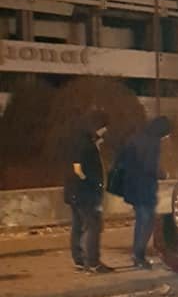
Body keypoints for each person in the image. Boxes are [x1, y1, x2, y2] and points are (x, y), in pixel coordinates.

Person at [120, 116, 172, 269]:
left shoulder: (136, 138)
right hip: (144, 188)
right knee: (147, 222)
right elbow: (150, 167)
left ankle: (137, 254)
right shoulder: (152, 143)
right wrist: (163, 174)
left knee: (141, 221)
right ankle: (139, 255)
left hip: (133, 187)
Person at [64, 109, 112, 274]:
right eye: (103, 128)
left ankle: (79, 259)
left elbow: (75, 168)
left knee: (78, 225)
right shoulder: (87, 146)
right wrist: (94, 186)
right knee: (93, 226)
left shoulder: (77, 141)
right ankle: (93, 263)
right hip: (85, 194)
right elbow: (81, 170)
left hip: (74, 193)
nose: (104, 132)